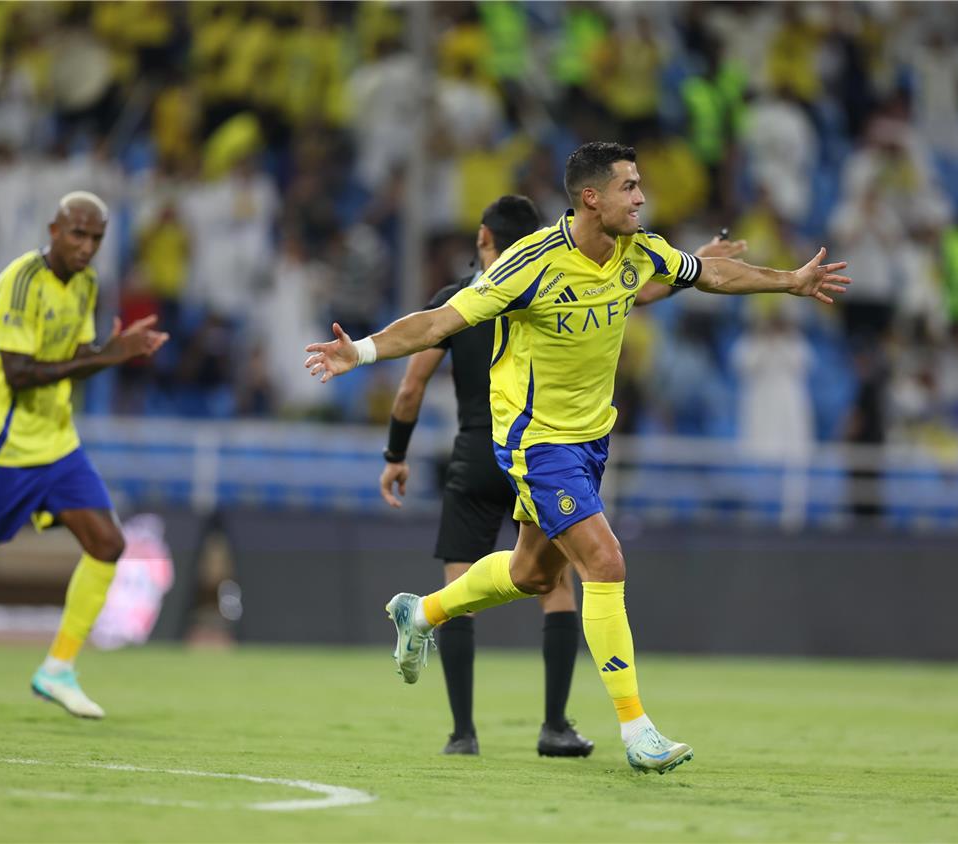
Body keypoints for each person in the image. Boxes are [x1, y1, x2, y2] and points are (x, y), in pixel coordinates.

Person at [305, 141, 849, 774]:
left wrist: (791, 281)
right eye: (629, 187)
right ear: (592, 197)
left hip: (591, 439)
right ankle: (636, 729)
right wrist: (362, 352)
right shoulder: (527, 264)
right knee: (605, 561)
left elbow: (709, 274)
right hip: (535, 442)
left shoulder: (639, 249)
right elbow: (435, 324)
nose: (642, 197)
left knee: (533, 573)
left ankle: (419, 611)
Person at [380, 196, 745, 757]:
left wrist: (394, 454)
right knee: (583, 573)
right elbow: (637, 293)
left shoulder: (461, 298)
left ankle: (459, 723)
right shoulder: (545, 274)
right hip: (537, 446)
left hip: (484, 451)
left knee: (526, 572)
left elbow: (413, 384)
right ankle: (577, 725)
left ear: (485, 238)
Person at [0, 191, 169, 724]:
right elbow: (19, 372)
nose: (87, 246)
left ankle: (58, 669)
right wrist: (105, 356)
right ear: (53, 230)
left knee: (108, 543)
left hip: (56, 443)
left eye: (96, 237)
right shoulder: (20, 282)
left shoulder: (88, 284)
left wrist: (109, 355)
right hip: (1, 449)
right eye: (77, 234)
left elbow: (74, 357)